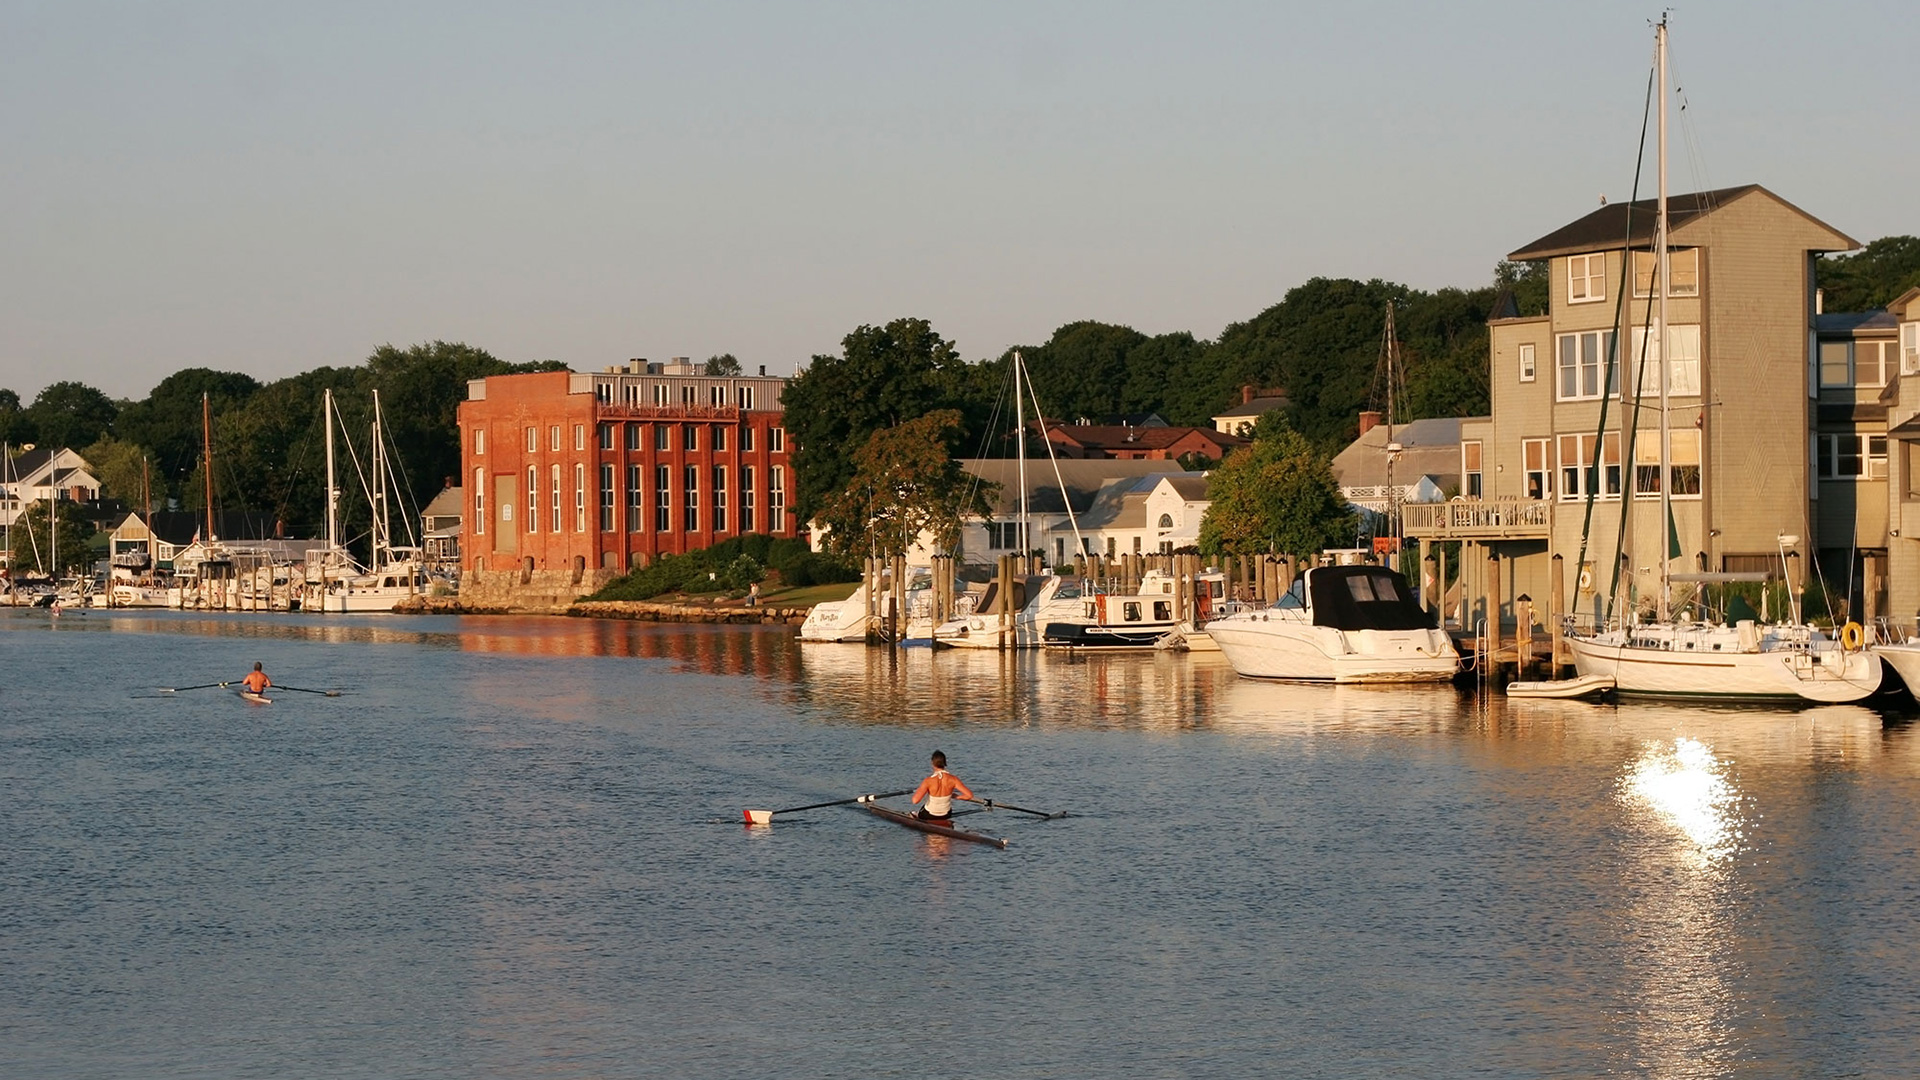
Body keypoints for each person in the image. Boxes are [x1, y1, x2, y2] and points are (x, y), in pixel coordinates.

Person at [909, 750, 974, 823]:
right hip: (946, 814)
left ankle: (916, 815)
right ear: (945, 763)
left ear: (932, 763)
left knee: (916, 813)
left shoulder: (928, 781)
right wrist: (955, 796)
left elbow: (915, 801)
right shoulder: (954, 779)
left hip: (929, 815)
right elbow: (969, 796)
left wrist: (921, 789)